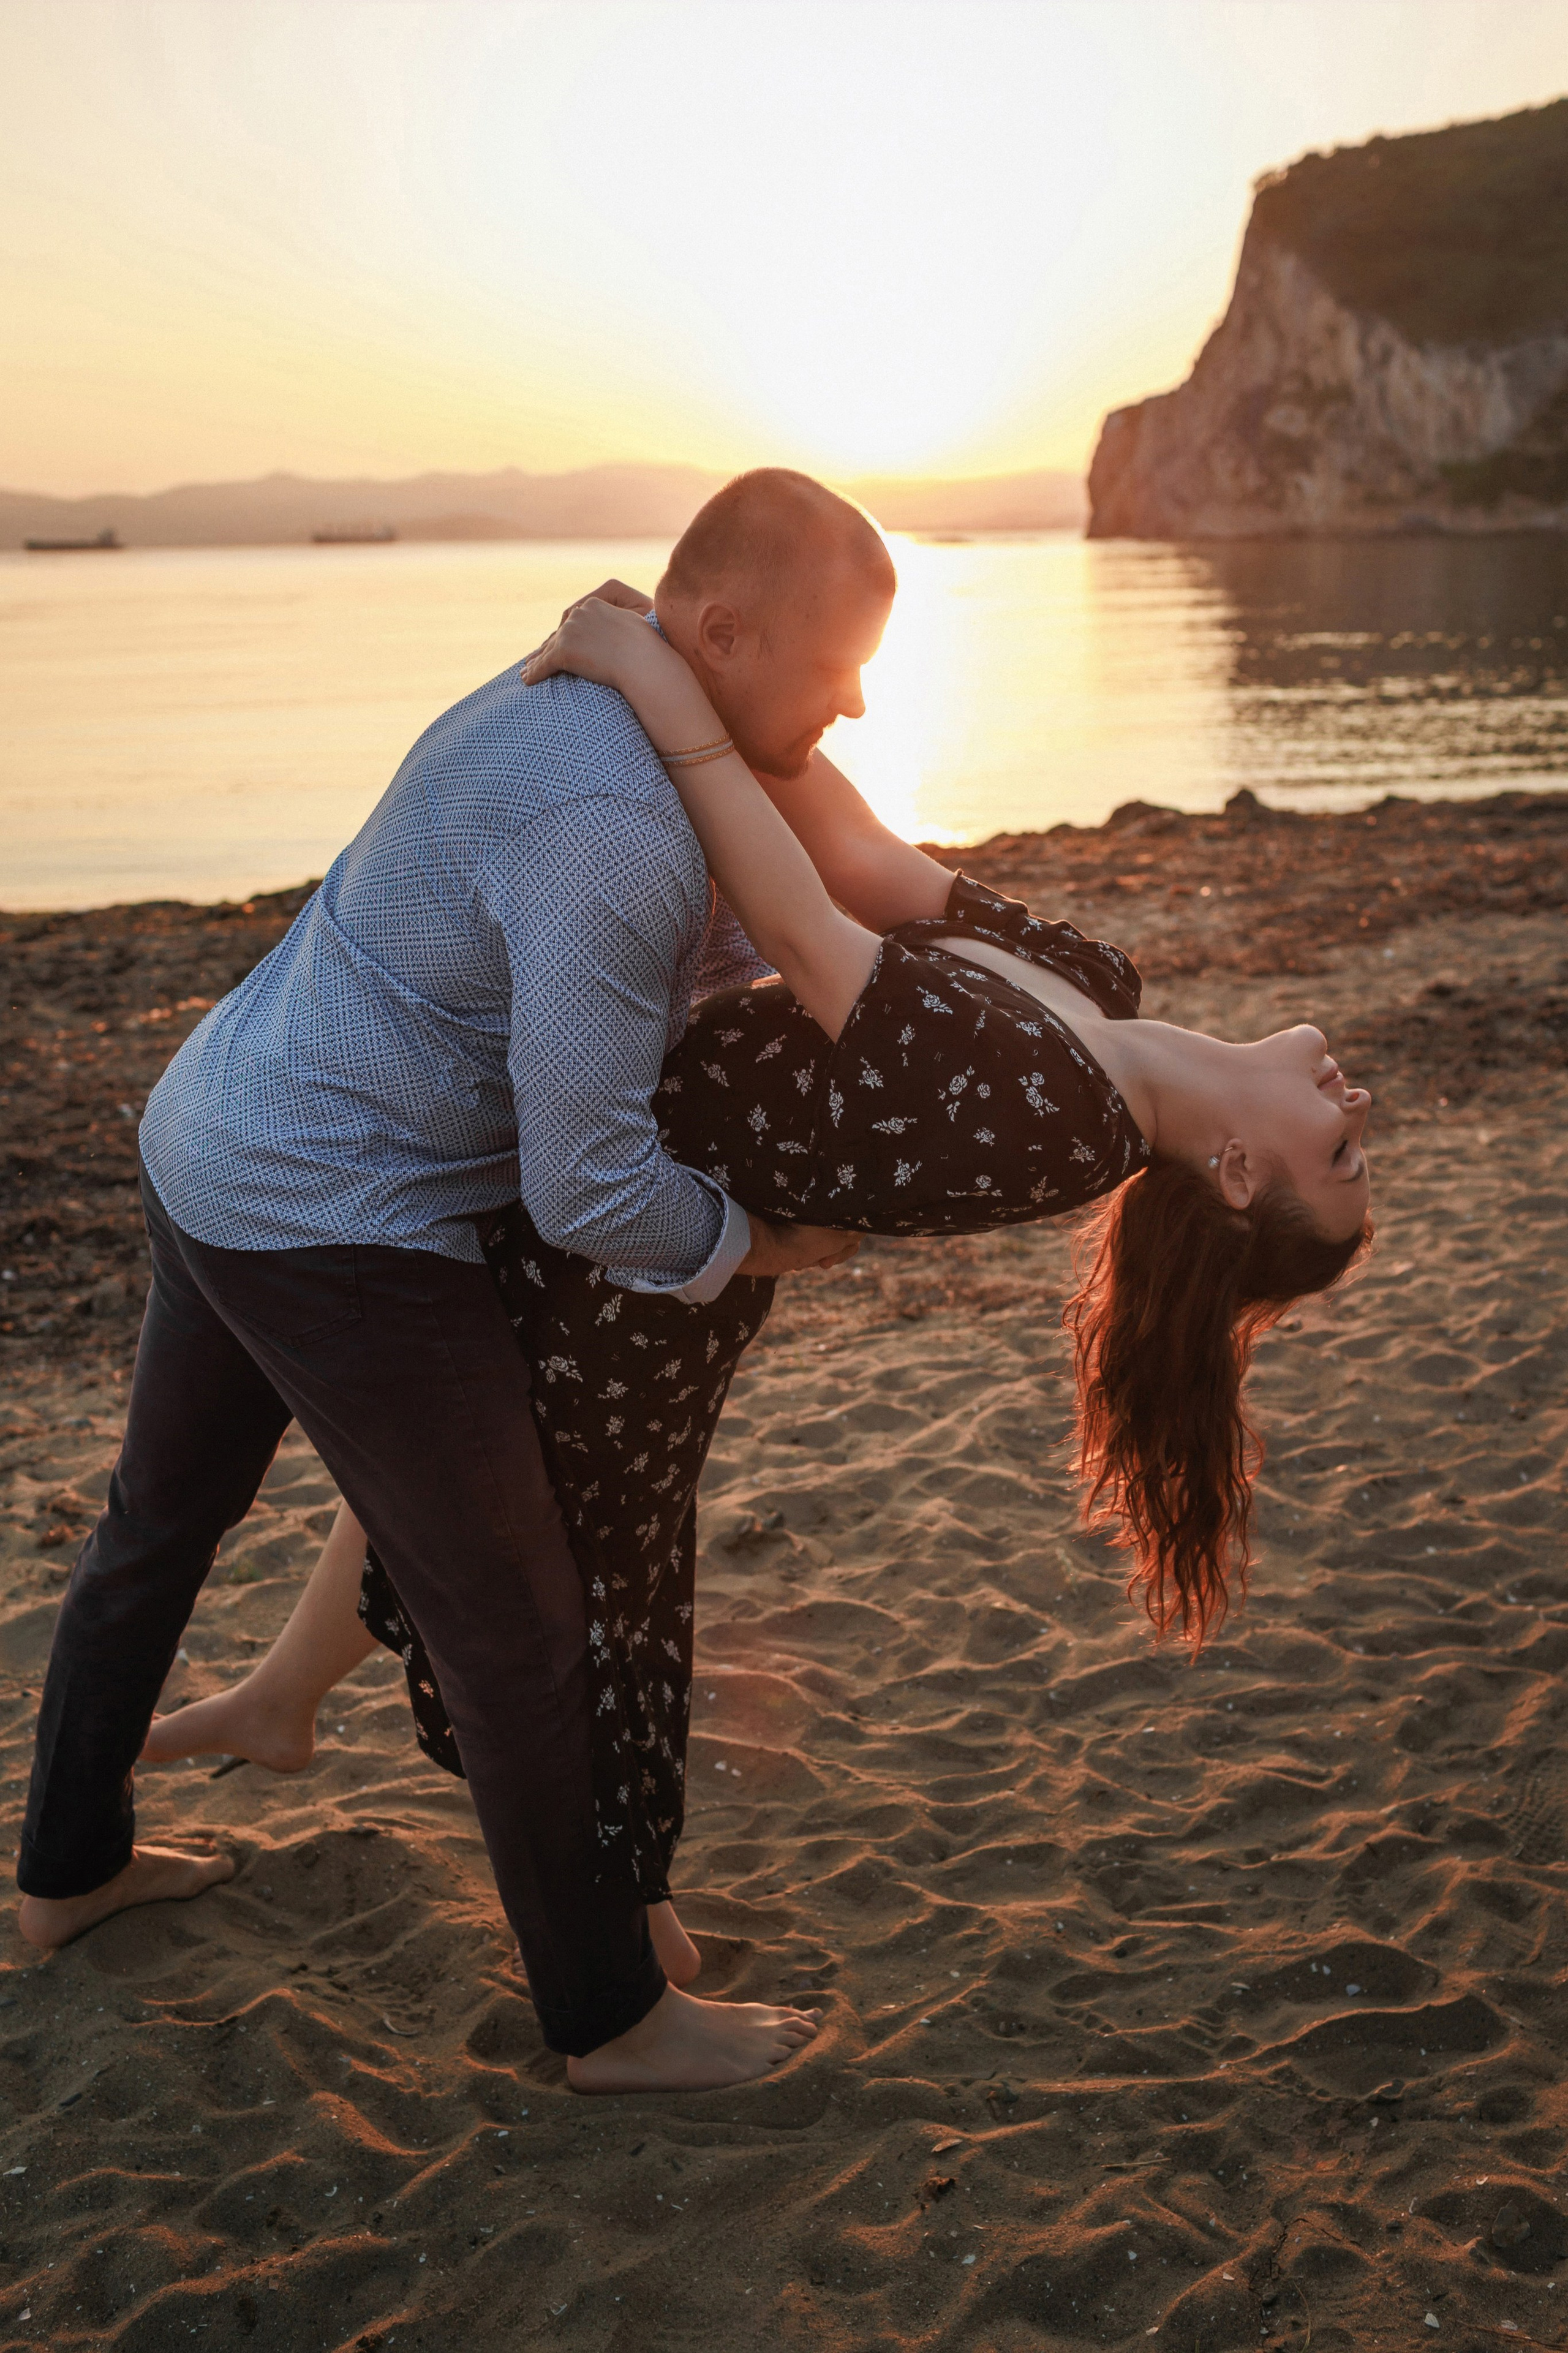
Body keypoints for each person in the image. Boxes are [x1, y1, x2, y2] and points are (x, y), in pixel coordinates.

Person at [145, 588, 1373, 1938]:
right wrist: (745, 677)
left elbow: (801, 930)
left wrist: (664, 687)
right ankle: (282, 1702)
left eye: (1338, 1158)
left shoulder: (1054, 1119)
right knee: (467, 1485)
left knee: (597, 1582)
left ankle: (627, 1946)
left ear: (1243, 1176)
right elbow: (859, 854)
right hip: (599, 1160)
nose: (1354, 1116)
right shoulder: (1101, 990)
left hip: (637, 1256)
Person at [17, 469, 977, 2098]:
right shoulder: (610, 816)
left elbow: (717, 956)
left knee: (158, 1519)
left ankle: (65, 1873)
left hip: (216, 1123)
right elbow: (586, 1182)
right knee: (520, 1618)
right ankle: (607, 2019)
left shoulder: (613, 693)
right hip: (334, 1214)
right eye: (836, 666)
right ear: (721, 633)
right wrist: (763, 1245)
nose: (860, 701)